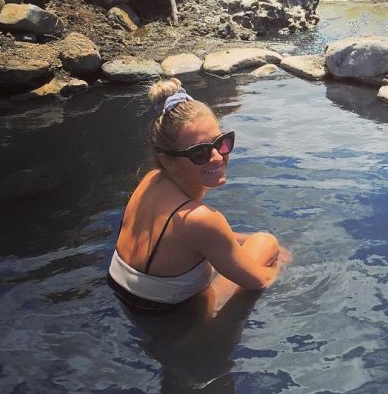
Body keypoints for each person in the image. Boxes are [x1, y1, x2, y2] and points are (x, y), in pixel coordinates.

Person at [108, 77, 287, 311]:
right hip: (170, 316)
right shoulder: (201, 220)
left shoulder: (151, 181)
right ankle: (204, 330)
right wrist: (279, 265)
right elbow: (259, 282)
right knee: (267, 242)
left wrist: (237, 241)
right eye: (200, 152)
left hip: (122, 293)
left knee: (250, 241)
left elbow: (196, 237)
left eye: (222, 143)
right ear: (168, 161)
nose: (217, 157)